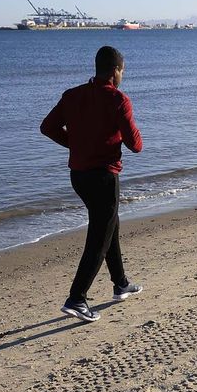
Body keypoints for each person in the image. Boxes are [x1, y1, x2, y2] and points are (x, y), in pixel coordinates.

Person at [40, 45, 145, 322]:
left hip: (79, 176)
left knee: (109, 225)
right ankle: (77, 298)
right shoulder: (118, 100)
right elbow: (136, 145)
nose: (123, 75)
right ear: (114, 71)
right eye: (122, 71)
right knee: (99, 235)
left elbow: (47, 127)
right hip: (104, 176)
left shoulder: (73, 95)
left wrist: (75, 145)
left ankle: (121, 283)